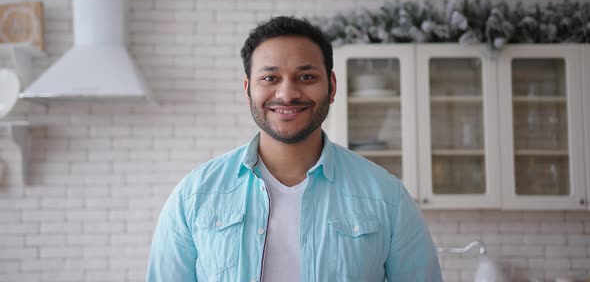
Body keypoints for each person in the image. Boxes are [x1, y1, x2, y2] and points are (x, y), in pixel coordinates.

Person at [146, 16, 442, 282]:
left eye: (306, 77)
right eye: (270, 78)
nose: (287, 94)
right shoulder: (194, 195)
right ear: (248, 89)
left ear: (332, 86)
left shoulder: (387, 197)